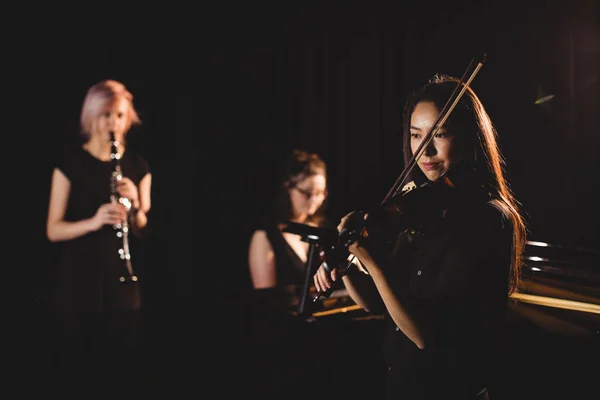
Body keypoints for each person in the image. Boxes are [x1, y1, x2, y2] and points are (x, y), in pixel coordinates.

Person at [314, 74, 527, 400]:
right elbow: (380, 304)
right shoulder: (421, 209)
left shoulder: (486, 218)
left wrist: (374, 261)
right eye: (415, 135)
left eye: (439, 134)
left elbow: (426, 335)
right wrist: (350, 266)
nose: (424, 150)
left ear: (469, 138)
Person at [46, 79, 152, 400]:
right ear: (92, 116)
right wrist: (93, 222)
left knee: (118, 372)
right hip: (79, 283)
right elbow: (52, 229)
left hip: (122, 284)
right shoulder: (70, 163)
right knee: (79, 373)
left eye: (120, 116)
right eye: (106, 115)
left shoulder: (138, 166)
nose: (114, 124)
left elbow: (143, 229)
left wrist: (135, 206)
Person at [247, 148, 332, 399]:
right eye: (307, 193)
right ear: (288, 188)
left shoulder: (323, 233)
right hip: (283, 345)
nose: (314, 200)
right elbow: (267, 307)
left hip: (322, 338)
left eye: (320, 193)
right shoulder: (266, 237)